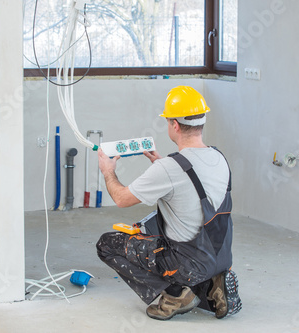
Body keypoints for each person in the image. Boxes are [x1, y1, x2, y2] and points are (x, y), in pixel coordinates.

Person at [96, 86, 241, 320]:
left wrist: (107, 171)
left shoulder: (169, 169)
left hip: (187, 262)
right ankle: (213, 282)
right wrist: (161, 164)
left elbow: (121, 199)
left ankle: (176, 294)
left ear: (174, 124)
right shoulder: (218, 157)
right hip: (219, 256)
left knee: (108, 244)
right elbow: (193, 183)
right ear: (202, 120)